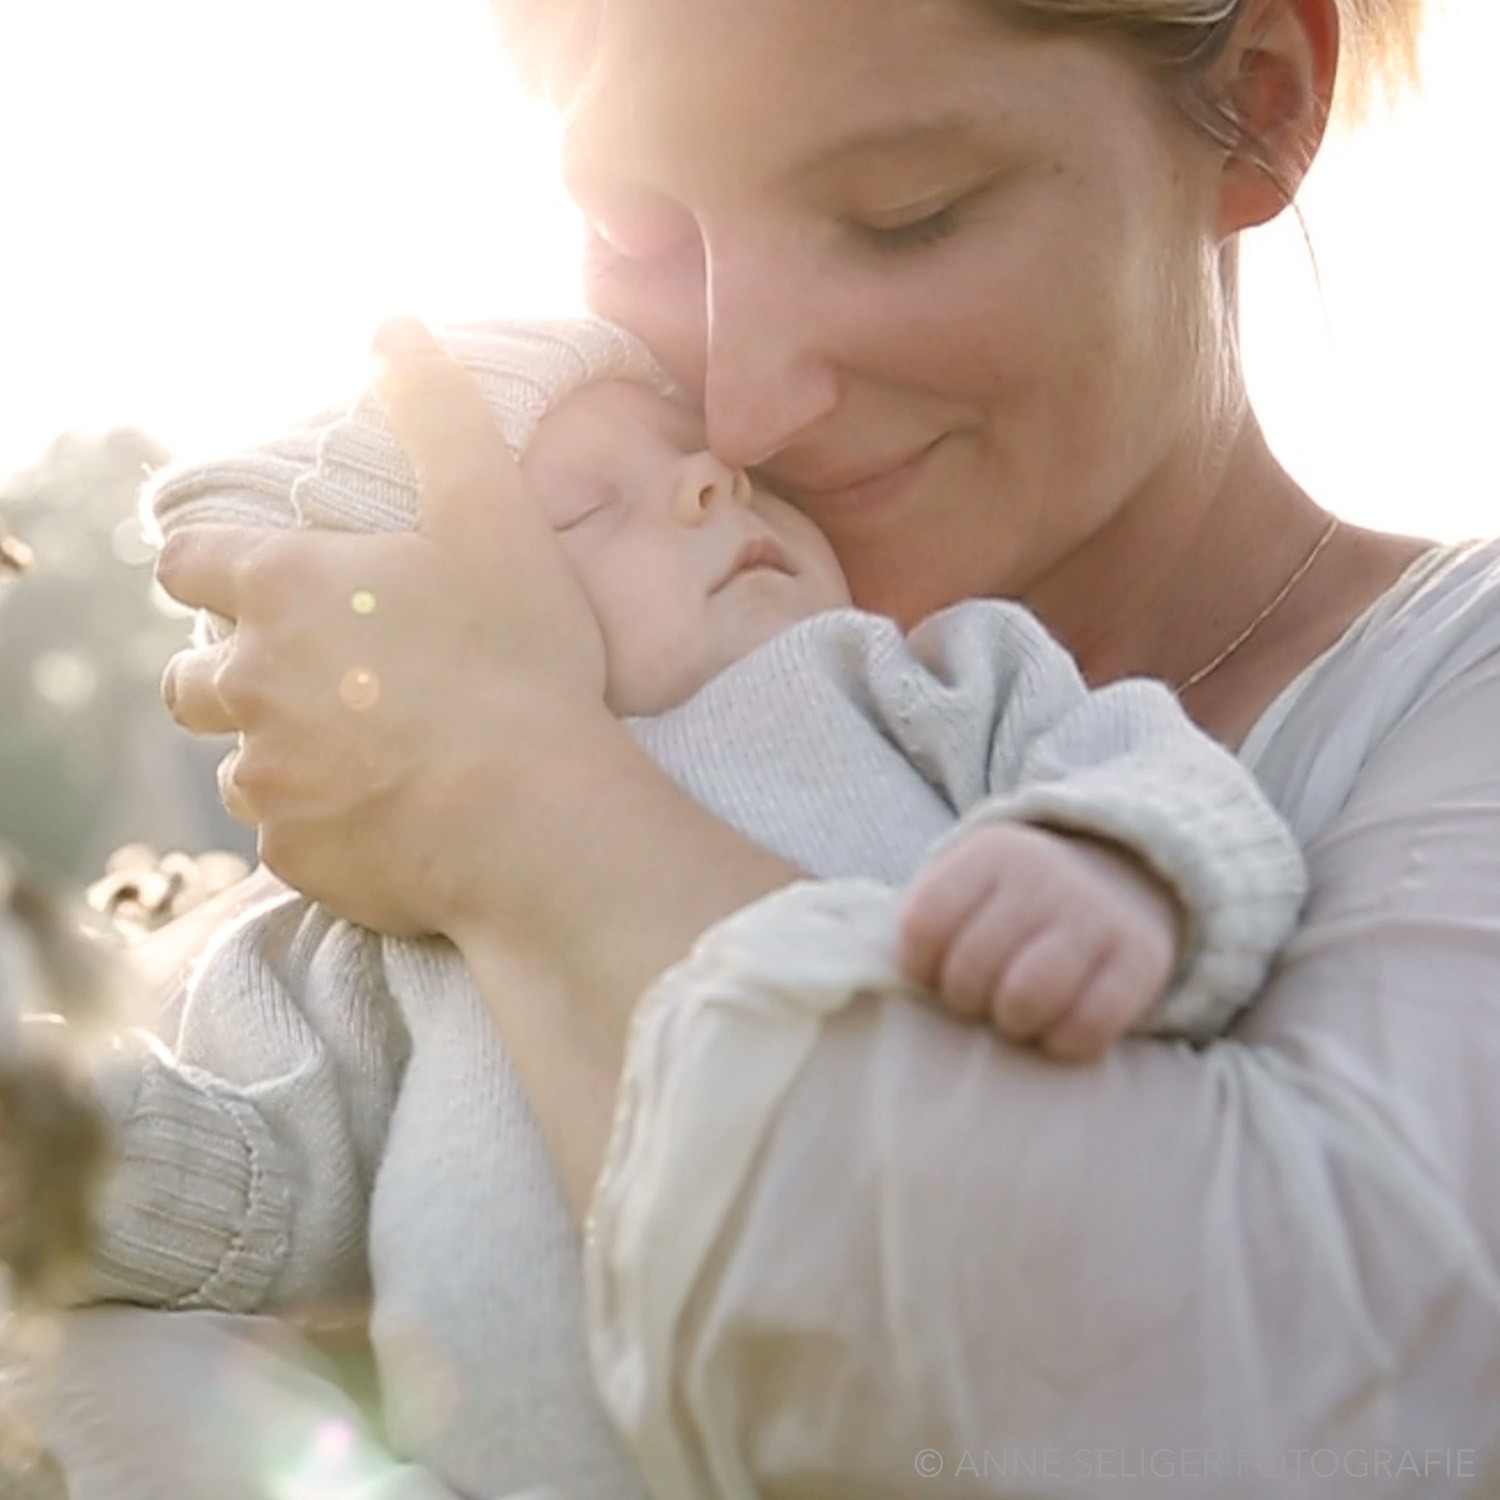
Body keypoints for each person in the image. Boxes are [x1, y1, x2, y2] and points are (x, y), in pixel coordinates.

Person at [61, 0, 1500, 1494]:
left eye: (904, 218)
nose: (739, 406)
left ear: (1262, 100)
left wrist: (510, 797)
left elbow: (1267, 1423)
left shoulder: (1443, 700)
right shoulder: (460, 804)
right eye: (633, 232)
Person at [6, 317, 1302, 1500]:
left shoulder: (916, 678)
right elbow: (276, 1190)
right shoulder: (385, 915)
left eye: (712, 464)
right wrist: (60, 1149)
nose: (709, 482)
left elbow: (1159, 772)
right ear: (389, 647)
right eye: (585, 506)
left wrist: (1108, 864)